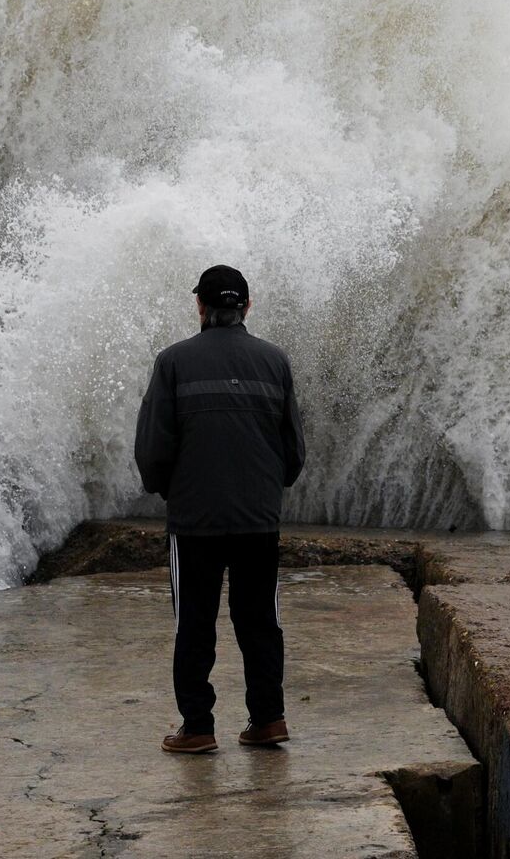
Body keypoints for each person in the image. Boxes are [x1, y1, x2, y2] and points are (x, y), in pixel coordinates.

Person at [133, 264, 306, 755]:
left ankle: (198, 727)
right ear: (247, 307)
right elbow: (293, 450)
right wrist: (269, 490)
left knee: (194, 621)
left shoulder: (173, 362)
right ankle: (268, 719)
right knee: (259, 620)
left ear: (201, 307)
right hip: (257, 518)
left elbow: (152, 447)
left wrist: (167, 490)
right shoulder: (276, 362)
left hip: (194, 520)